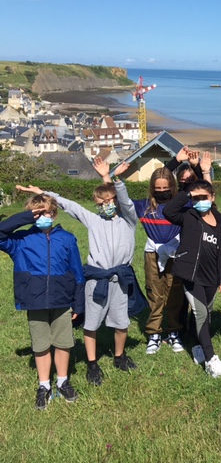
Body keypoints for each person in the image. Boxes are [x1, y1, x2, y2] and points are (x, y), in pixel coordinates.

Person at [22, 158, 142, 386]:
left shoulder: (129, 221)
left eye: (108, 201)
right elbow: (69, 205)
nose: (104, 205)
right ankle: (92, 363)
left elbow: (125, 201)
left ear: (115, 201)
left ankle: (119, 356)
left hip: (120, 279)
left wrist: (116, 179)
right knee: (91, 324)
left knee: (122, 323)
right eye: (100, 202)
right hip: (96, 280)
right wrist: (42, 192)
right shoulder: (93, 220)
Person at [0, 192, 84, 409]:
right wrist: (26, 217)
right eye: (36, 214)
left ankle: (63, 381)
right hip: (34, 299)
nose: (42, 217)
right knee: (41, 344)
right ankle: (44, 385)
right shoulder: (20, 241)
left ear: (54, 214)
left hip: (62, 299)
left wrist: (78, 301)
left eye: (46, 212)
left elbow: (77, 271)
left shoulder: (67, 239)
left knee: (64, 342)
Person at [163, 179, 221, 377]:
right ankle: (211, 360)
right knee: (200, 313)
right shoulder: (188, 216)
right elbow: (168, 211)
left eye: (204, 197)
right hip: (192, 276)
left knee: (205, 315)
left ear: (213, 197)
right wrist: (187, 194)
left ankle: (197, 345)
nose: (200, 201)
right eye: (196, 198)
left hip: (213, 277)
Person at [133, 166, 184, 355]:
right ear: (152, 188)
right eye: (158, 189)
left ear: (172, 186)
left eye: (165, 188)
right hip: (152, 254)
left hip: (175, 253)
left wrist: (204, 172)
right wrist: (107, 176)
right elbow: (120, 200)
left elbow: (206, 196)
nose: (162, 192)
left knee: (174, 292)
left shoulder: (181, 204)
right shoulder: (144, 206)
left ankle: (174, 332)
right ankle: (154, 333)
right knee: (154, 292)